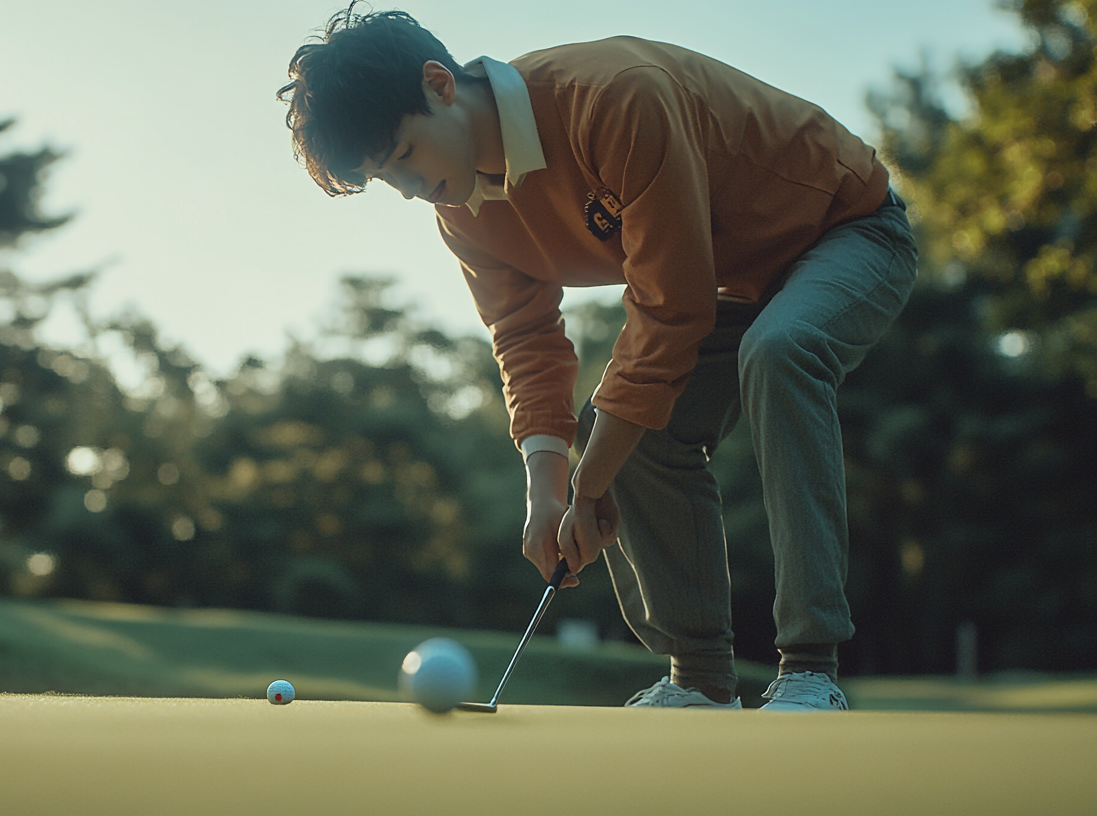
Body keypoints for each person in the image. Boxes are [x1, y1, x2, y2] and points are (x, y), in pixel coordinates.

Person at [277, 6, 917, 710]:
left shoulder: (613, 98)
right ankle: (700, 679)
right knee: (625, 427)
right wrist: (547, 490)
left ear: (440, 85)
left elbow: (671, 310)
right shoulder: (458, 206)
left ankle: (810, 669)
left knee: (777, 350)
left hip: (849, 228)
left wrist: (590, 486)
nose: (408, 188)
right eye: (384, 180)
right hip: (733, 281)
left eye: (402, 156)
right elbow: (525, 340)